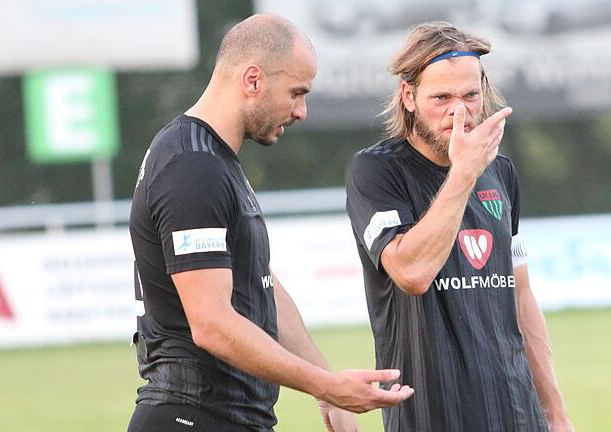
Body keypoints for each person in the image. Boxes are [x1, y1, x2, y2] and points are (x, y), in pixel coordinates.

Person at [128, 14, 413, 432]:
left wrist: (325, 389)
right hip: (190, 415)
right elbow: (211, 324)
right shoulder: (191, 166)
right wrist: (328, 386)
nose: (302, 111)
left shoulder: (215, 161)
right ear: (253, 80)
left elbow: (259, 284)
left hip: (225, 417)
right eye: (296, 93)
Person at [345, 22, 574, 432]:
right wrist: (464, 173)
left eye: (471, 95)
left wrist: (554, 413)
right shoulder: (376, 171)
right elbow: (411, 273)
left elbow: (520, 296)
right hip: (433, 416)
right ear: (408, 96)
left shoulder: (499, 171)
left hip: (517, 414)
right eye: (441, 98)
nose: (459, 112)